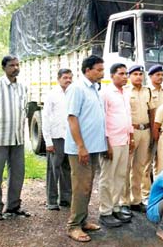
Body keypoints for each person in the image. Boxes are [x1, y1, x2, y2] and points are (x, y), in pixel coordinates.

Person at [65, 55, 106, 242]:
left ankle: (82, 220)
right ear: (87, 70)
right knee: (81, 187)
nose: (102, 72)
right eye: (98, 69)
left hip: (93, 147)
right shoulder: (77, 88)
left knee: (88, 186)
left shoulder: (94, 88)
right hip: (81, 149)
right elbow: (72, 118)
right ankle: (73, 226)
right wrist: (81, 146)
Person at [0, 56, 30, 221]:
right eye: (11, 65)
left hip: (18, 137)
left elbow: (24, 110)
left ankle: (13, 206)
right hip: (0, 137)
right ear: (4, 67)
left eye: (17, 65)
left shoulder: (23, 86)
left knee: (18, 172)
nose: (15, 68)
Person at [99, 63, 134, 227]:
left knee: (120, 176)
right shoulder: (105, 94)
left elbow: (128, 116)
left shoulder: (125, 93)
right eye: (121, 73)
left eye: (126, 73)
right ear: (112, 75)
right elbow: (102, 119)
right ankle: (105, 212)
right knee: (107, 178)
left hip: (125, 140)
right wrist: (106, 144)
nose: (125, 76)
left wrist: (131, 137)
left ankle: (115, 207)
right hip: (111, 142)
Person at [122, 65, 155, 214]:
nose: (138, 77)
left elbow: (151, 111)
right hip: (131, 130)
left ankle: (136, 200)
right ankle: (124, 201)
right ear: (129, 76)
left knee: (139, 167)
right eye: (135, 74)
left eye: (140, 74)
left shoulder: (147, 91)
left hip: (145, 130)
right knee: (126, 167)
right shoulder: (125, 92)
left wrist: (153, 130)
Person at [42, 68, 73, 211]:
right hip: (56, 137)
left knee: (67, 168)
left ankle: (66, 199)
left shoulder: (73, 93)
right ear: (58, 78)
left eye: (70, 77)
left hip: (70, 137)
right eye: (65, 77)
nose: (68, 80)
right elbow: (46, 117)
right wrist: (48, 141)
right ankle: (52, 200)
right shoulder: (52, 95)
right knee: (53, 169)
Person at [143, 64, 163, 203]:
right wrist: (152, 133)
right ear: (150, 77)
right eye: (157, 75)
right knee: (146, 164)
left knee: (161, 164)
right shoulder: (147, 91)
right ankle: (145, 195)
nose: (160, 77)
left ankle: (158, 192)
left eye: (161, 75)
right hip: (150, 130)